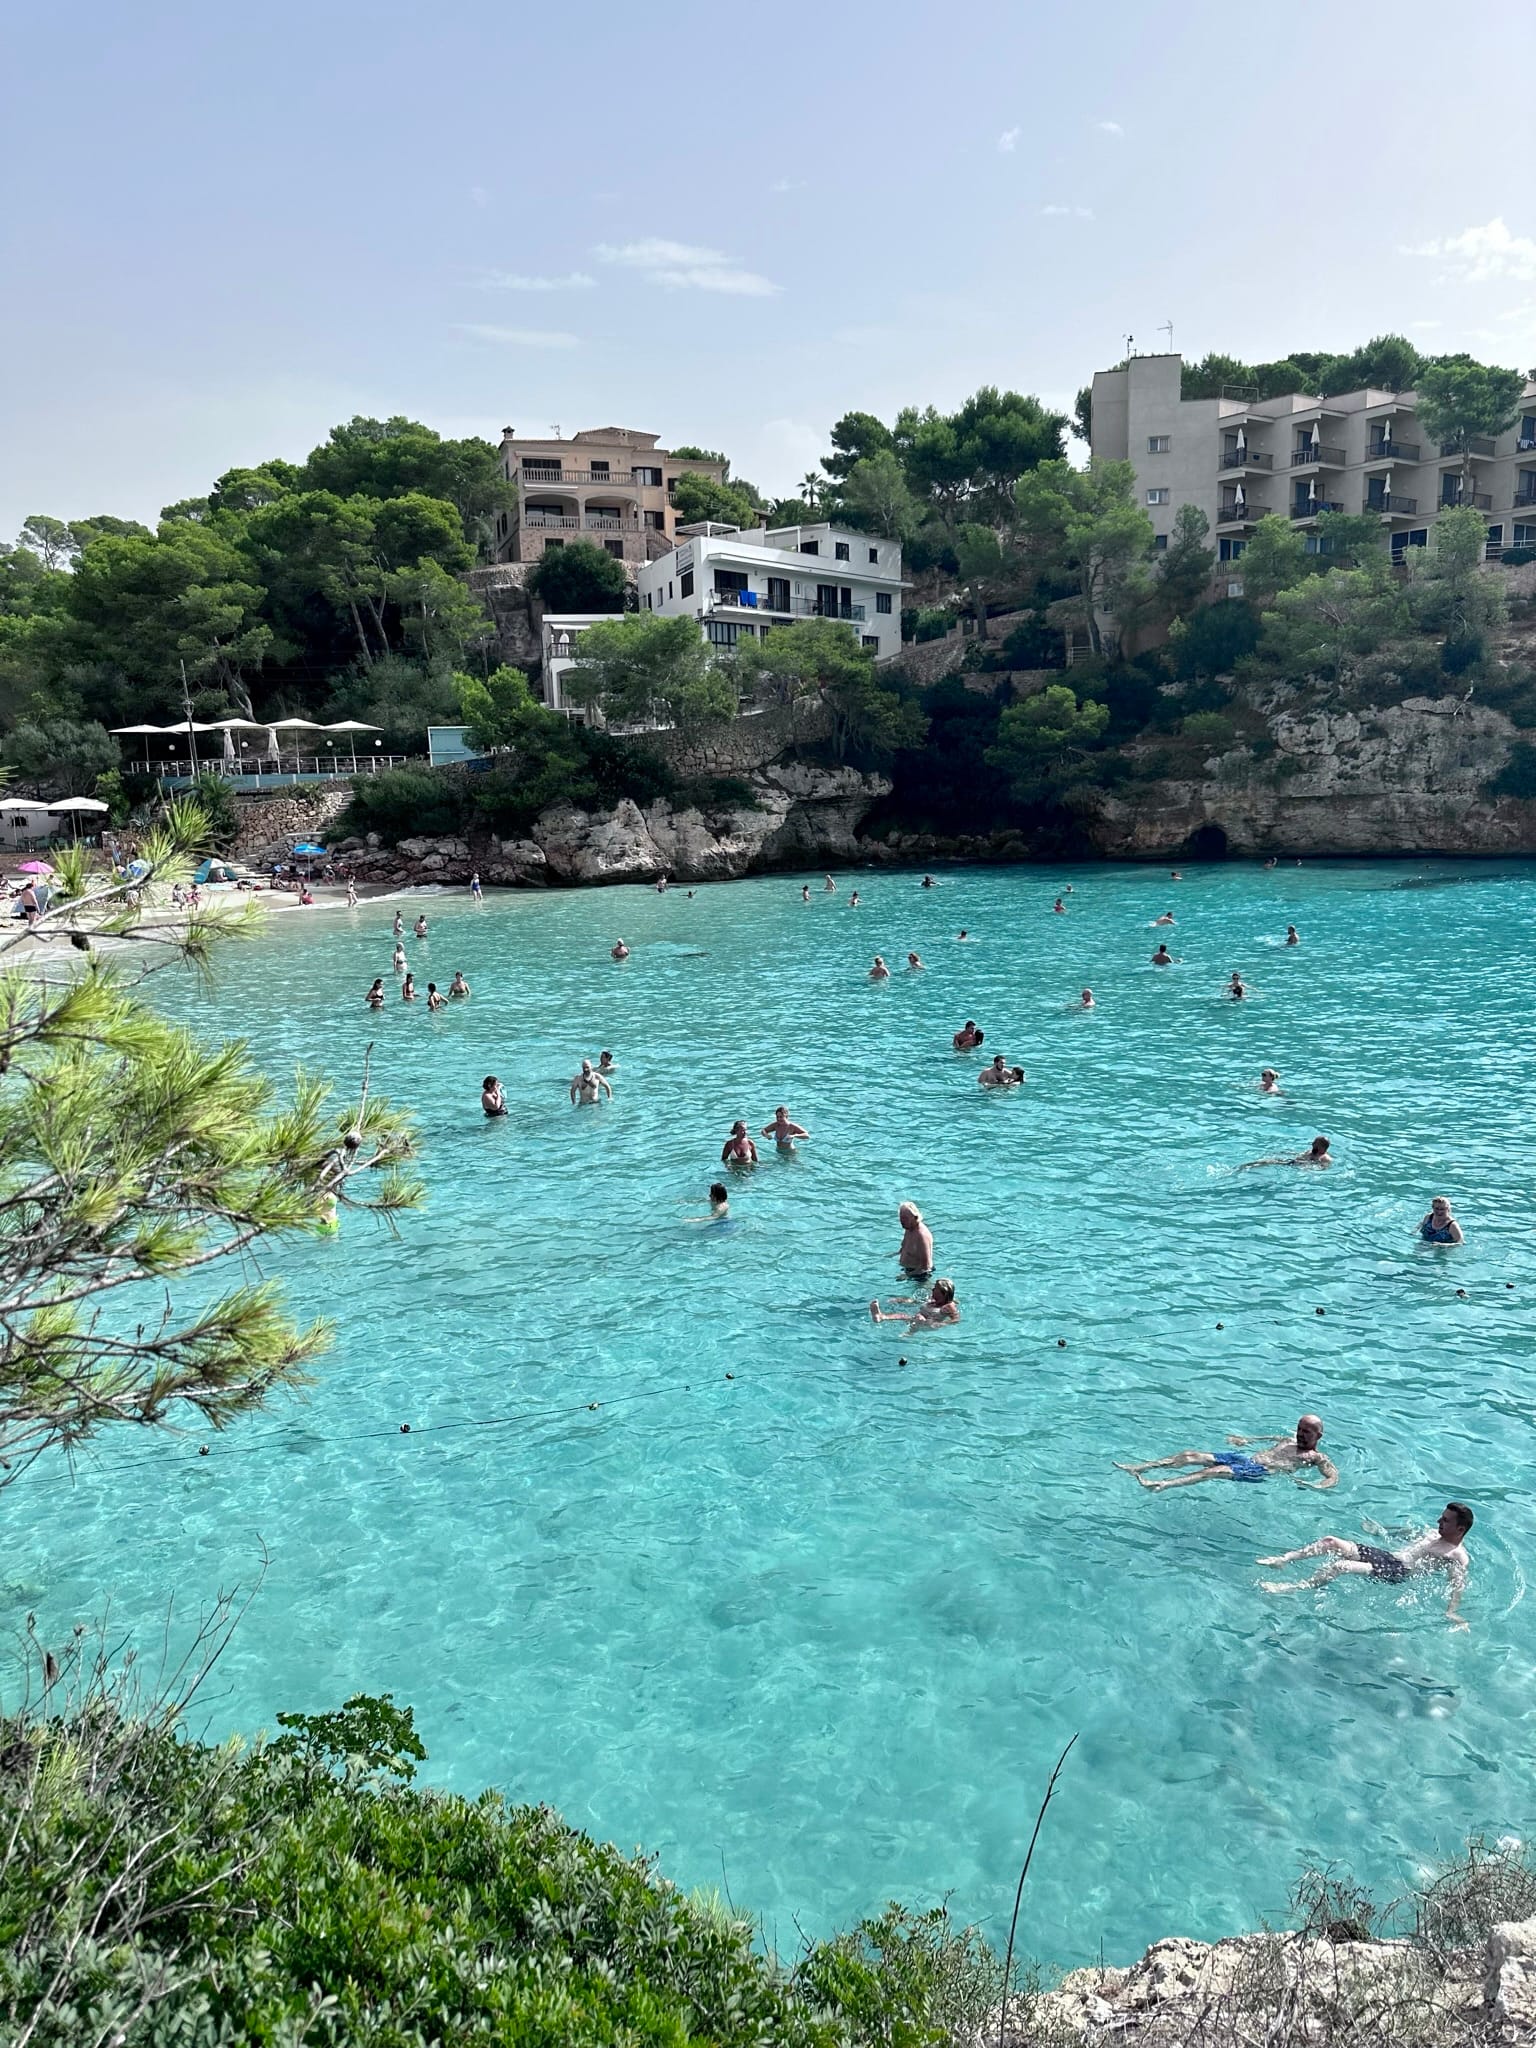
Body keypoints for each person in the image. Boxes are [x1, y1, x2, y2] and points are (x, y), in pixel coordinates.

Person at [1258, 1503, 1473, 1629]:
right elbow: (1406, 1533)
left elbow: (1457, 1584)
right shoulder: (1434, 1534)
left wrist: (1452, 1612)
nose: (1438, 1521)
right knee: (1330, 1541)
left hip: (1396, 1572)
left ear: (1460, 1528)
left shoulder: (1456, 1555)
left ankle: (1294, 1587)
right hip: (1387, 1556)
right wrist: (1380, 1530)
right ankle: (1283, 1560)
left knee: (1340, 1566)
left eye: (1445, 1520)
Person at [1116, 1415, 1337, 1492]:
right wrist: (1245, 1440)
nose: (1300, 1434)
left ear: (1319, 1435)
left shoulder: (1318, 1457)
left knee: (1215, 1471)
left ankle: (1162, 1485)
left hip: (1259, 1471)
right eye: (1299, 1429)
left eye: (1306, 1432)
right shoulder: (1287, 1440)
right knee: (1191, 1455)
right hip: (1245, 1459)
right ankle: (1141, 1467)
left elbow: (1333, 1477)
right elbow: (1267, 1439)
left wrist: (1316, 1486)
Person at [869, 1278, 960, 1331]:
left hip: (929, 1324)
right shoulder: (933, 1301)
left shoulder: (949, 1306)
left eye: (935, 1288)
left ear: (943, 1293)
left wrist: (939, 1324)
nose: (932, 1289)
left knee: (909, 1318)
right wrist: (900, 1300)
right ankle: (881, 1316)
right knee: (903, 1316)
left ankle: (910, 1332)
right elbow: (915, 1301)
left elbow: (956, 1320)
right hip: (918, 1319)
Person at [1242, 1134, 1332, 1169]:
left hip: (1297, 1166)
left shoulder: (1325, 1158)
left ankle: (1247, 1167)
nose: (1312, 1144)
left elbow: (1322, 1169)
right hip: (1292, 1162)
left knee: (1270, 1162)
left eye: (1315, 1143)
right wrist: (1286, 1153)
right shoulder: (1311, 1152)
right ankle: (1246, 1166)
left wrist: (1307, 1167)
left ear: (1321, 1147)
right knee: (1268, 1161)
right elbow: (1299, 1155)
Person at [895, 1202, 934, 1277]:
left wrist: (907, 1276)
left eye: (905, 1218)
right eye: (901, 1218)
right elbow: (904, 1248)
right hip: (906, 1270)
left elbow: (926, 1267)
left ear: (915, 1217)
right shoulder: (908, 1228)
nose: (901, 1221)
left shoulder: (922, 1236)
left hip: (920, 1276)